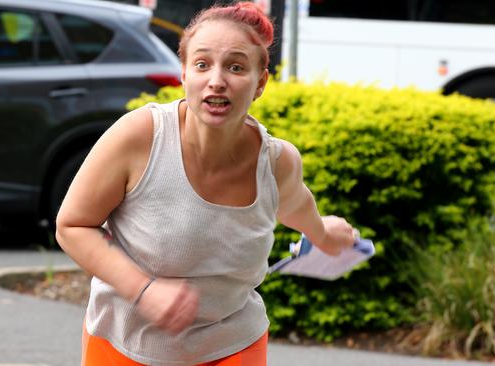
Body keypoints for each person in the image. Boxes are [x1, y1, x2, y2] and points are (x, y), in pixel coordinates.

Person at [55, 2, 356, 365]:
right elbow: (72, 226)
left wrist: (325, 235)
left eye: (236, 66)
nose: (217, 80)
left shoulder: (277, 162)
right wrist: (144, 291)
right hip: (125, 342)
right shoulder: (139, 137)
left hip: (232, 344)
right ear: (184, 74)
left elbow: (297, 208)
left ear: (260, 82)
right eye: (202, 64)